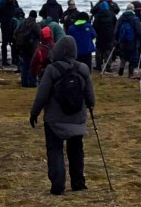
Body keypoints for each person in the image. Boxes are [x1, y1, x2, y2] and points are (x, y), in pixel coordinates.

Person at [29, 35, 96, 196]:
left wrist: (34, 113)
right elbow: (91, 97)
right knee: (76, 150)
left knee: (55, 150)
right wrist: (90, 107)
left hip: (54, 119)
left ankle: (58, 186)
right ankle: (78, 183)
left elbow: (42, 95)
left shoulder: (52, 69)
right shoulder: (83, 69)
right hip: (77, 118)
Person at [114, 3, 141, 77]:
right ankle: (130, 73)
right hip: (133, 41)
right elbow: (139, 31)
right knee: (133, 57)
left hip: (122, 41)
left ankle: (121, 69)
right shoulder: (135, 18)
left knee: (123, 55)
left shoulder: (121, 18)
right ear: (133, 9)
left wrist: (117, 39)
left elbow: (116, 30)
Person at [91, 0, 119, 71]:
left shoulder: (98, 15)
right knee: (108, 50)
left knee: (99, 50)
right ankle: (108, 66)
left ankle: (98, 65)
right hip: (109, 35)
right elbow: (115, 23)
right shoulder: (112, 14)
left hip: (100, 35)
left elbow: (95, 25)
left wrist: (94, 33)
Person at [15, 10, 41, 87]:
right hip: (32, 48)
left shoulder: (22, 23)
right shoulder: (34, 25)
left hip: (22, 47)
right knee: (32, 65)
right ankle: (32, 83)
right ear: (35, 17)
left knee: (25, 65)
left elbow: (15, 32)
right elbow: (40, 34)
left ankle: (24, 83)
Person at [0, 0, 23, 67]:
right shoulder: (3, 2)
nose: (14, 1)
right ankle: (4, 60)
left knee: (14, 42)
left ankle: (14, 59)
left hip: (13, 24)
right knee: (5, 42)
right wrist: (3, 20)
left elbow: (18, 10)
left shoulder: (15, 2)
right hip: (5, 24)